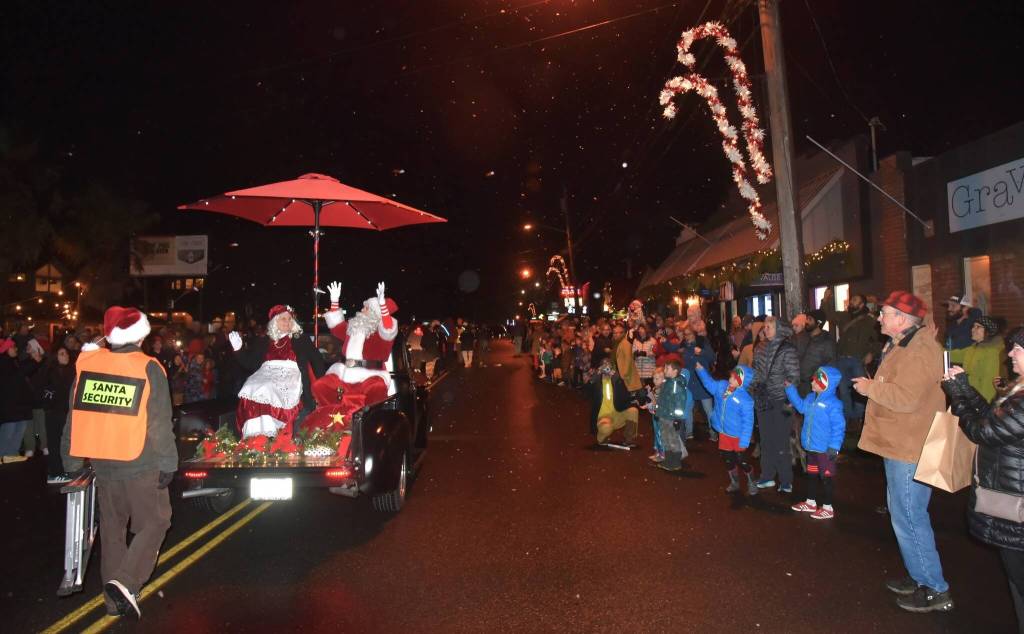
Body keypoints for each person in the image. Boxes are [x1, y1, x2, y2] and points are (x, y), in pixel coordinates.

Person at [61, 306, 178, 619]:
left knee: (113, 531)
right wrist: (169, 461)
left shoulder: (88, 364)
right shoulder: (148, 367)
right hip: (140, 461)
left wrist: (70, 462)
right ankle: (125, 583)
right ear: (141, 335)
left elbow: (74, 417)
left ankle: (113, 603)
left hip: (103, 463)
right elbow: (159, 422)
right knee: (155, 521)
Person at [852, 290, 952, 613]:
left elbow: (907, 398)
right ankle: (919, 575)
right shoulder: (904, 343)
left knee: (910, 516)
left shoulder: (920, 349)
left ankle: (936, 588)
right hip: (901, 442)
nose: (879, 317)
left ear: (902, 319)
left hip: (910, 447)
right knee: (903, 514)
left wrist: (871, 388)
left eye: (884, 313)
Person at [942, 327, 1024, 628]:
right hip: (1012, 501)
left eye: (1017, 349)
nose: (1011, 353)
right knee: (1016, 582)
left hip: (1018, 508)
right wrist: (964, 387)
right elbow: (993, 416)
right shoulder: (1019, 389)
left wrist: (958, 400)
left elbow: (984, 431)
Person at [229, 304, 325, 439]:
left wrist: (322, 383)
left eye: (289, 319)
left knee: (269, 388)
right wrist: (238, 350)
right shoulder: (264, 340)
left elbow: (317, 359)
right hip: (266, 372)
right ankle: (257, 434)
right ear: (275, 322)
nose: (287, 322)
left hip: (289, 374)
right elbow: (250, 363)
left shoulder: (300, 339)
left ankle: (277, 429)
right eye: (283, 319)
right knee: (251, 387)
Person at [312, 282, 399, 418]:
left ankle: (368, 424)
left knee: (377, 388)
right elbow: (337, 327)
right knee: (320, 386)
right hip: (344, 374)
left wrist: (383, 306)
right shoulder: (353, 329)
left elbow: (388, 328)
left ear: (376, 315)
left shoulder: (381, 334)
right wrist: (334, 301)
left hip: (370, 376)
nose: (362, 310)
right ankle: (333, 419)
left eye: (366, 308)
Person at [785, 367, 845, 520]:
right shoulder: (811, 398)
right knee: (811, 475)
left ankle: (827, 507)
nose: (812, 382)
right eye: (813, 379)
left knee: (826, 478)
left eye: (817, 381)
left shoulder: (833, 404)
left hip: (825, 450)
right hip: (812, 447)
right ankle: (811, 502)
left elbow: (838, 427)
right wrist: (790, 389)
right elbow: (800, 406)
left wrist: (834, 447)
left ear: (827, 384)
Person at [749, 315, 800, 493]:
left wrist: (789, 393)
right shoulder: (760, 347)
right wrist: (754, 385)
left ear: (778, 328)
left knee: (781, 441)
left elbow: (794, 375)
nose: (765, 329)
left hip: (781, 399)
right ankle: (767, 476)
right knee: (766, 440)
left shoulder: (788, 349)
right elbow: (755, 370)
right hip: (764, 399)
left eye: (769, 326)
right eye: (765, 326)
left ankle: (786, 480)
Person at [820, 289, 881, 430]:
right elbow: (828, 314)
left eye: (855, 300)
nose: (851, 302)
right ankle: (849, 421)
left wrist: (871, 353)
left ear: (861, 304)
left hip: (857, 360)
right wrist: (825, 300)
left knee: (859, 391)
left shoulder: (869, 321)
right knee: (844, 391)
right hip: (841, 359)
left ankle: (859, 419)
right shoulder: (845, 317)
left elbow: (878, 341)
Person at [696, 362, 757, 494]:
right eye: (731, 376)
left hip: (738, 436)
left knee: (742, 461)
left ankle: (752, 482)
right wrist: (701, 370)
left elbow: (748, 422)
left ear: (741, 381)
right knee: (728, 460)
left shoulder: (745, 400)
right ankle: (734, 483)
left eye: (734, 378)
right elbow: (709, 384)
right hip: (724, 434)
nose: (730, 379)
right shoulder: (722, 387)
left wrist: (745, 440)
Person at [35, 346, 76, 483]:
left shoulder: (69, 371)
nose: (66, 356)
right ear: (55, 356)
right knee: (55, 443)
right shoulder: (50, 372)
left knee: (63, 443)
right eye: (62, 354)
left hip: (64, 412)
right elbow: (49, 392)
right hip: (54, 412)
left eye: (66, 353)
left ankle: (61, 470)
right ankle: (54, 473)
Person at [949, 315, 1006, 402]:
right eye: (973, 326)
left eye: (978, 327)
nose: (972, 329)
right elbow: (951, 355)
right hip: (968, 396)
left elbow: (989, 384)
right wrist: (931, 341)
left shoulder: (991, 353)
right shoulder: (973, 348)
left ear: (988, 331)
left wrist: (983, 407)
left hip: (979, 402)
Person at [1, 338, 40, 463]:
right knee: (9, 430)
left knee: (19, 429)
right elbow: (17, 377)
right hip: (10, 404)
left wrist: (33, 360)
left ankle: (11, 453)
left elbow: (22, 369)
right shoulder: (3, 363)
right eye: (13, 347)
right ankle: (2, 453)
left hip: (19, 404)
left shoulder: (13, 361)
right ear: (6, 349)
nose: (16, 349)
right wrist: (34, 362)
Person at [589, 359, 639, 448]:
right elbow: (586, 392)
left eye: (608, 366)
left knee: (633, 411)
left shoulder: (616, 381)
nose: (606, 369)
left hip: (617, 414)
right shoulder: (597, 383)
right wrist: (597, 374)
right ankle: (601, 439)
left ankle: (629, 439)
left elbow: (626, 396)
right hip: (603, 417)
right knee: (606, 428)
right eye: (604, 366)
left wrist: (617, 377)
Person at [652, 360, 692, 471]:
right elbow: (661, 399)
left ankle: (675, 462)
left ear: (675, 371)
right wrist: (657, 411)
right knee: (665, 439)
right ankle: (668, 460)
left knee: (672, 439)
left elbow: (680, 402)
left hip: (671, 417)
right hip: (664, 415)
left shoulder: (676, 384)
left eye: (667, 369)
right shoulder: (667, 382)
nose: (664, 370)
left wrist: (677, 419)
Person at [799, 310, 837, 396]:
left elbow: (830, 365)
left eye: (810, 319)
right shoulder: (802, 337)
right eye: (806, 319)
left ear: (818, 322)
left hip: (814, 387)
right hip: (799, 385)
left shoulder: (826, 342)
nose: (806, 322)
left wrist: (818, 384)